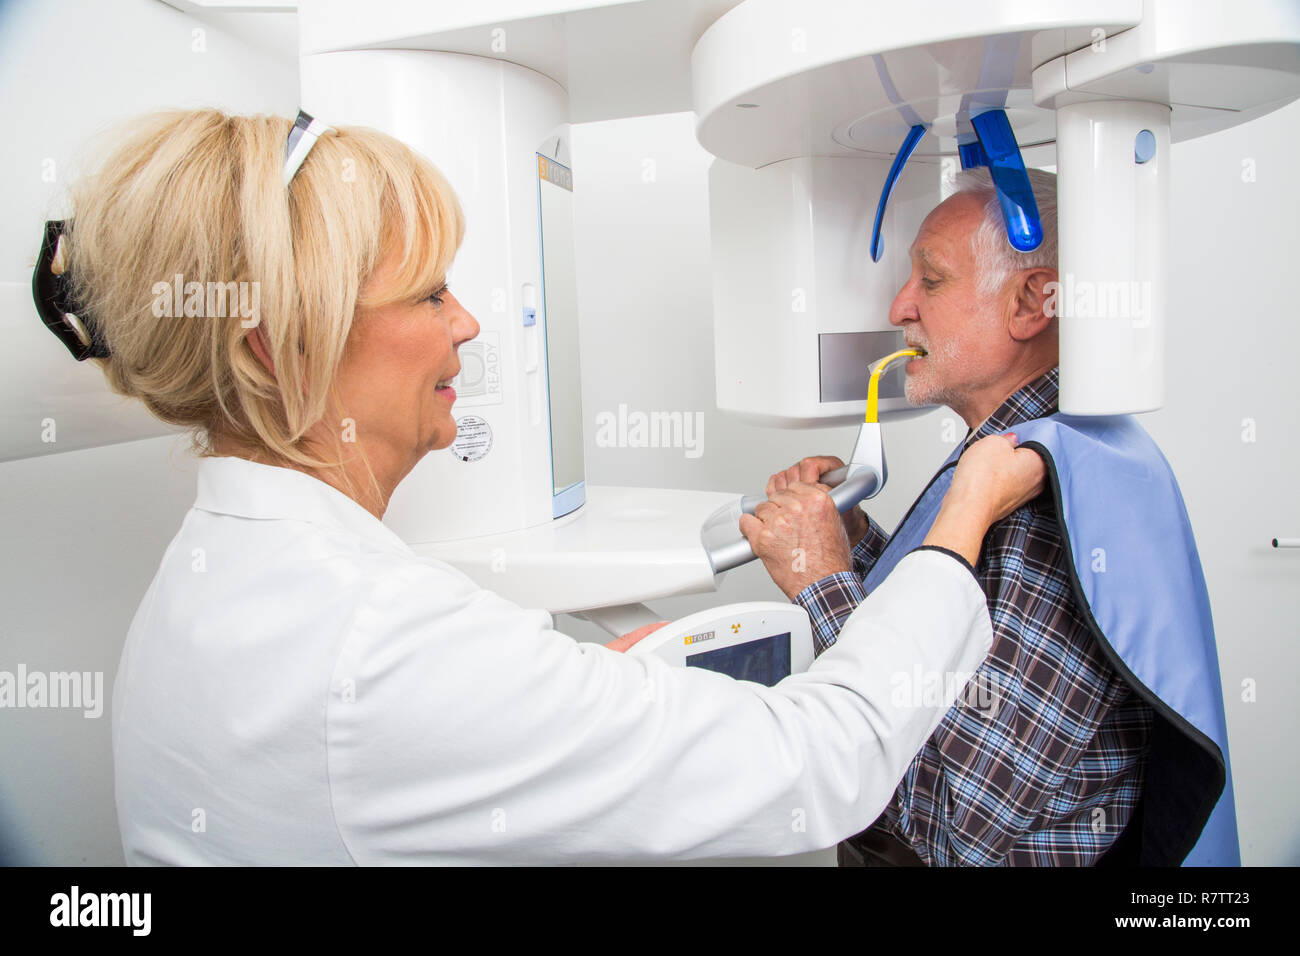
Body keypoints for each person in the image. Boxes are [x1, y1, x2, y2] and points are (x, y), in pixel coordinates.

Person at [33, 109, 1047, 865]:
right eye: (428, 292)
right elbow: (827, 760)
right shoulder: (375, 641)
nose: (469, 324)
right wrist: (957, 521)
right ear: (285, 345)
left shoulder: (210, 578)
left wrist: (595, 692)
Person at [745, 168, 1238, 867]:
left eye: (932, 280)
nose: (899, 306)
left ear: (1032, 303)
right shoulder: (1031, 443)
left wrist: (822, 583)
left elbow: (949, 823)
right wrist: (853, 545)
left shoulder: (1052, 497)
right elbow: (957, 651)